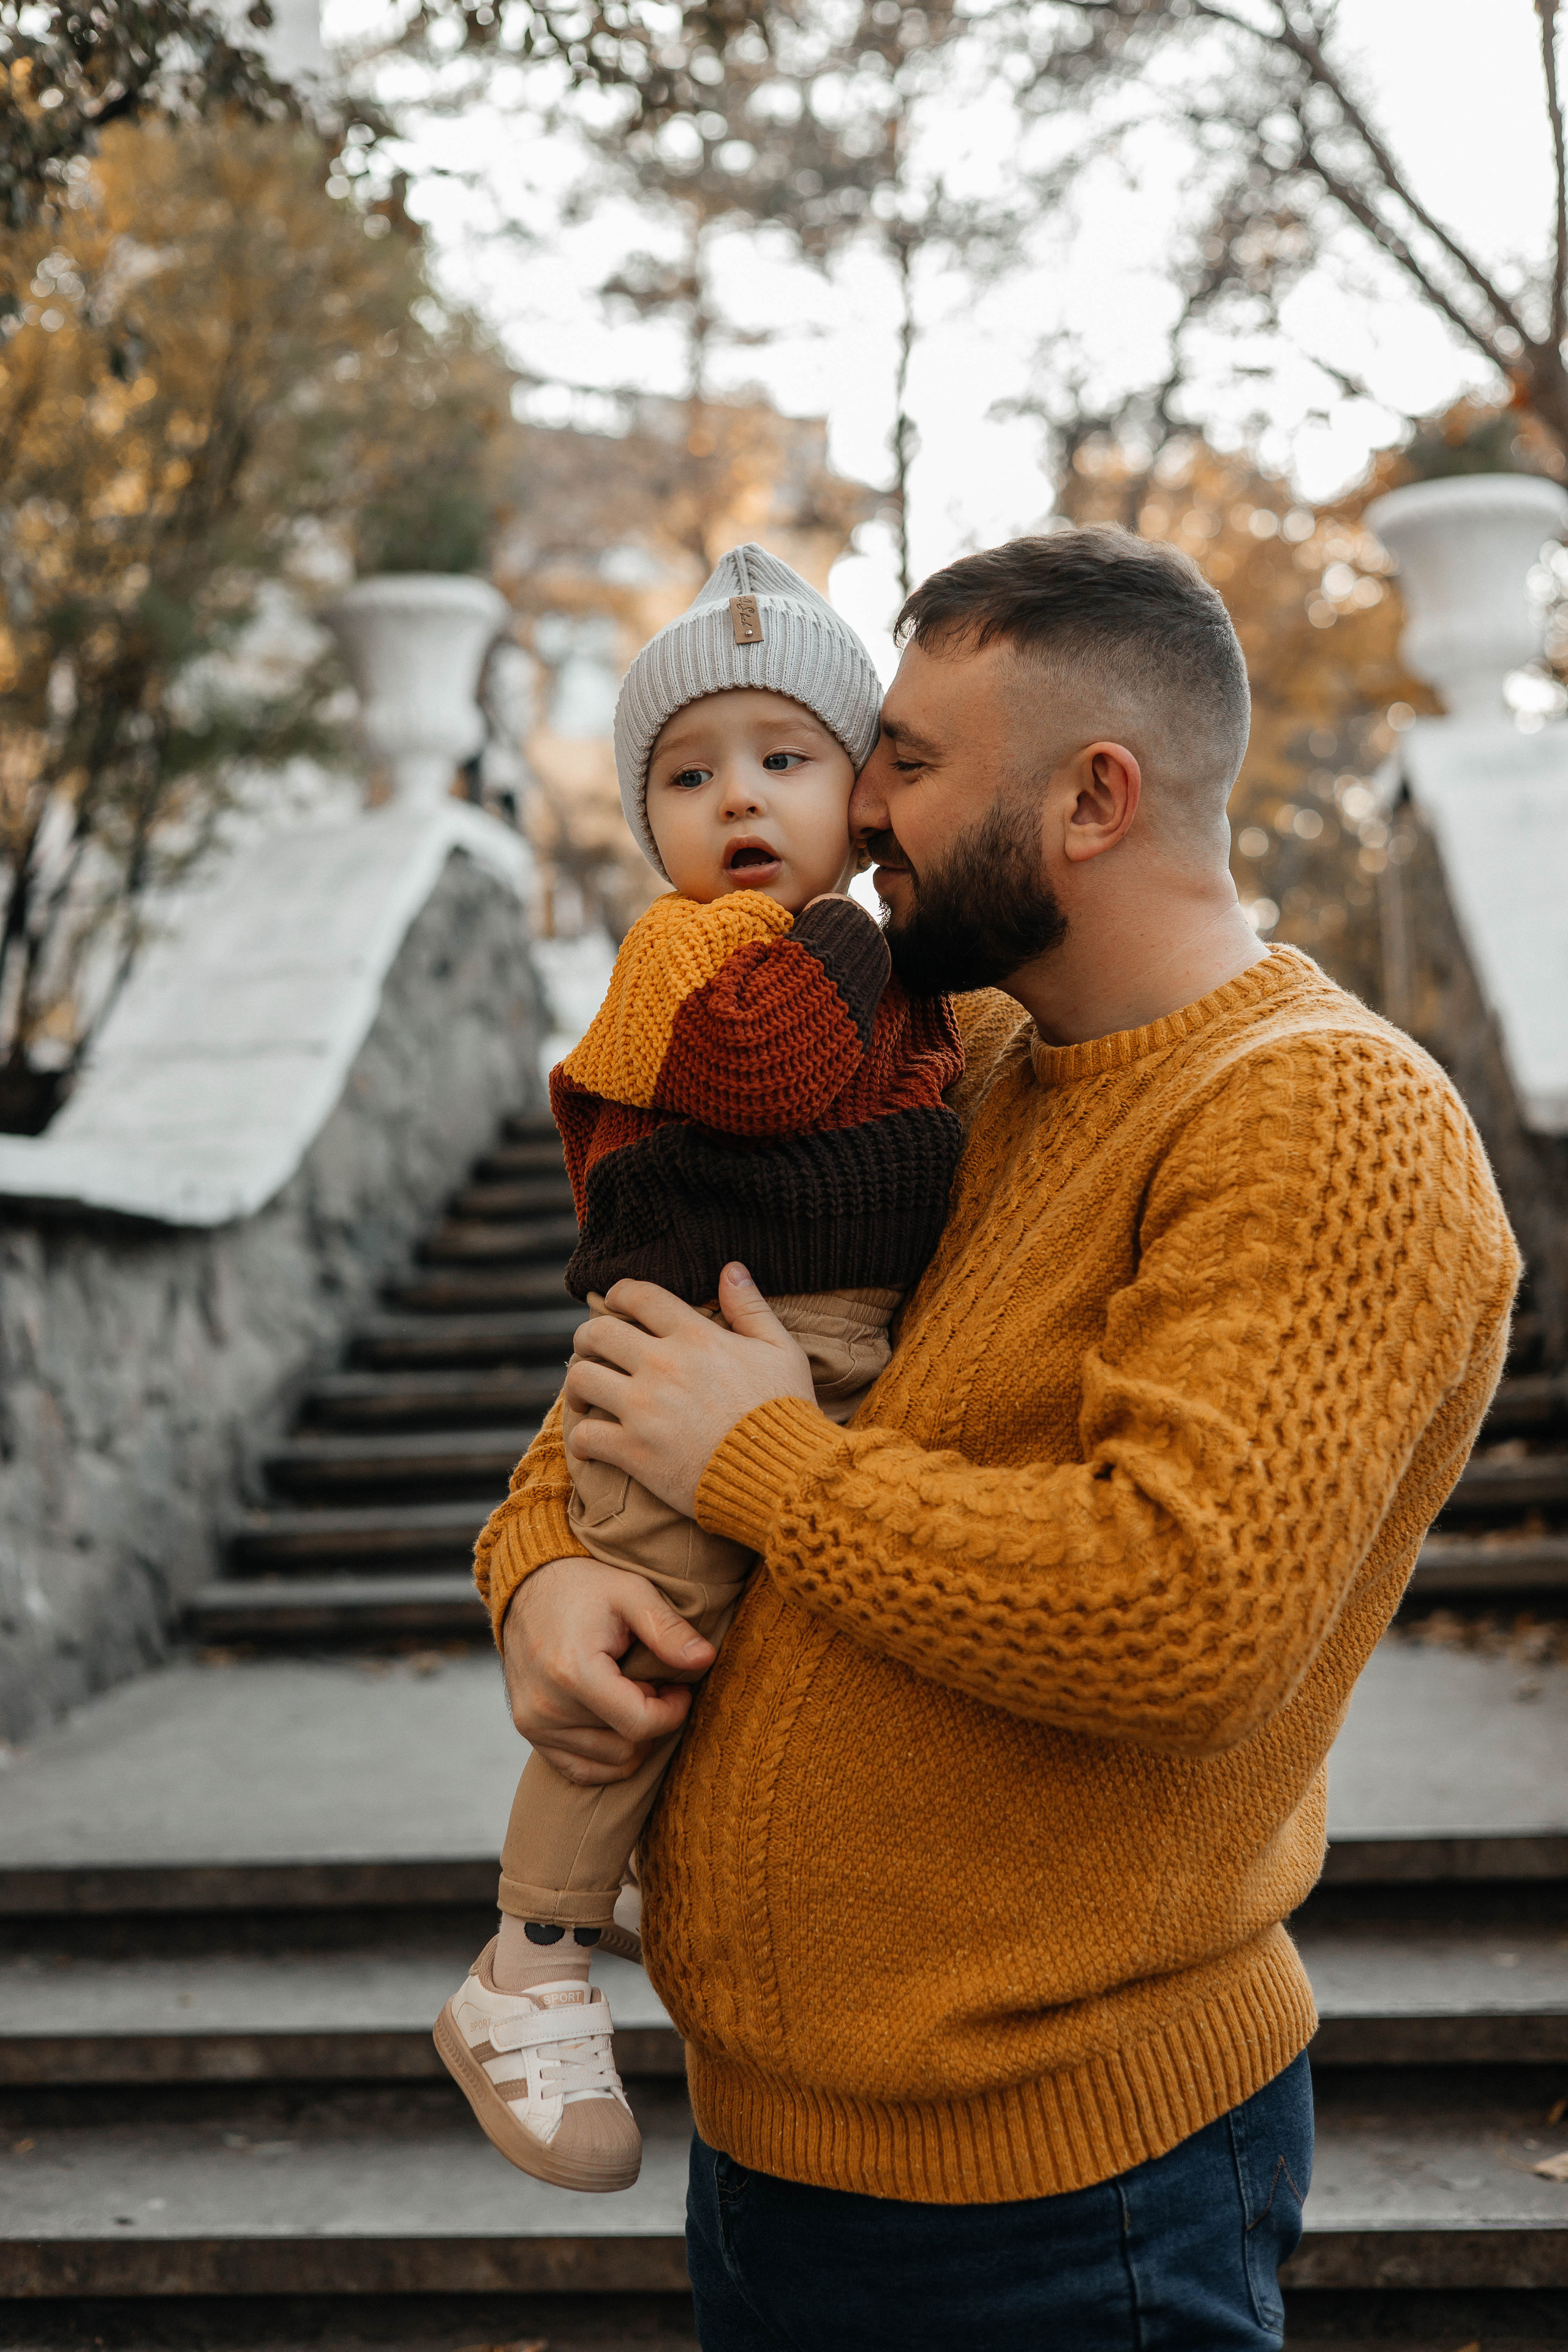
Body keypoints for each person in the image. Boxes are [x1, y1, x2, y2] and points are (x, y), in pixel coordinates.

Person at [475, 527, 1520, 2348]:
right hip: (769, 2152)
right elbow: (659, 1352)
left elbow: (1180, 1610)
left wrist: (768, 1469)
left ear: (1095, 798)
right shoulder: (945, 1063)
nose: (861, 805)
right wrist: (545, 1565)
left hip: (1070, 2198)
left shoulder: (1324, 1113)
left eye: (911, 761)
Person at [436, 544, 963, 2194]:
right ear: (648, 820)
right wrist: (836, 933)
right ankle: (527, 1960)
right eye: (687, 774)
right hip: (715, 1340)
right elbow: (760, 1074)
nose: (737, 796)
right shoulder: (718, 951)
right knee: (646, 1647)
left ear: (859, 790)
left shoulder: (895, 971)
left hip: (816, 1350)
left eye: (783, 757)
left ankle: (629, 1886)